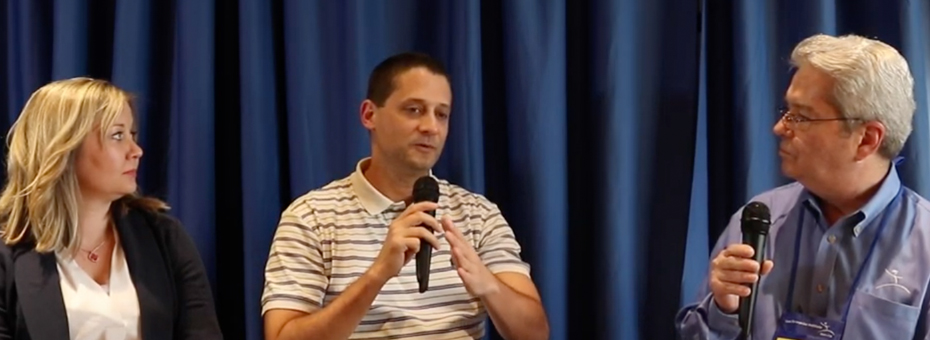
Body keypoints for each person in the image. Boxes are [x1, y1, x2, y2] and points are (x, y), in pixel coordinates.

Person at [261, 52, 550, 340]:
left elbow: (535, 334)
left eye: (442, 114)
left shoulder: (478, 214)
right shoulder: (311, 217)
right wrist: (377, 275)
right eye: (414, 110)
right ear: (369, 115)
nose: (430, 127)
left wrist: (489, 285)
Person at [676, 33, 930, 339]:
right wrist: (724, 309)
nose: (780, 128)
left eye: (802, 117)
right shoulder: (760, 220)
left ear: (866, 139)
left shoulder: (924, 244)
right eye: (787, 112)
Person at [0, 77, 223, 339]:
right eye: (117, 135)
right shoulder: (8, 252)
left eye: (132, 135)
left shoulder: (165, 237)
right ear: (63, 149)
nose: (136, 150)